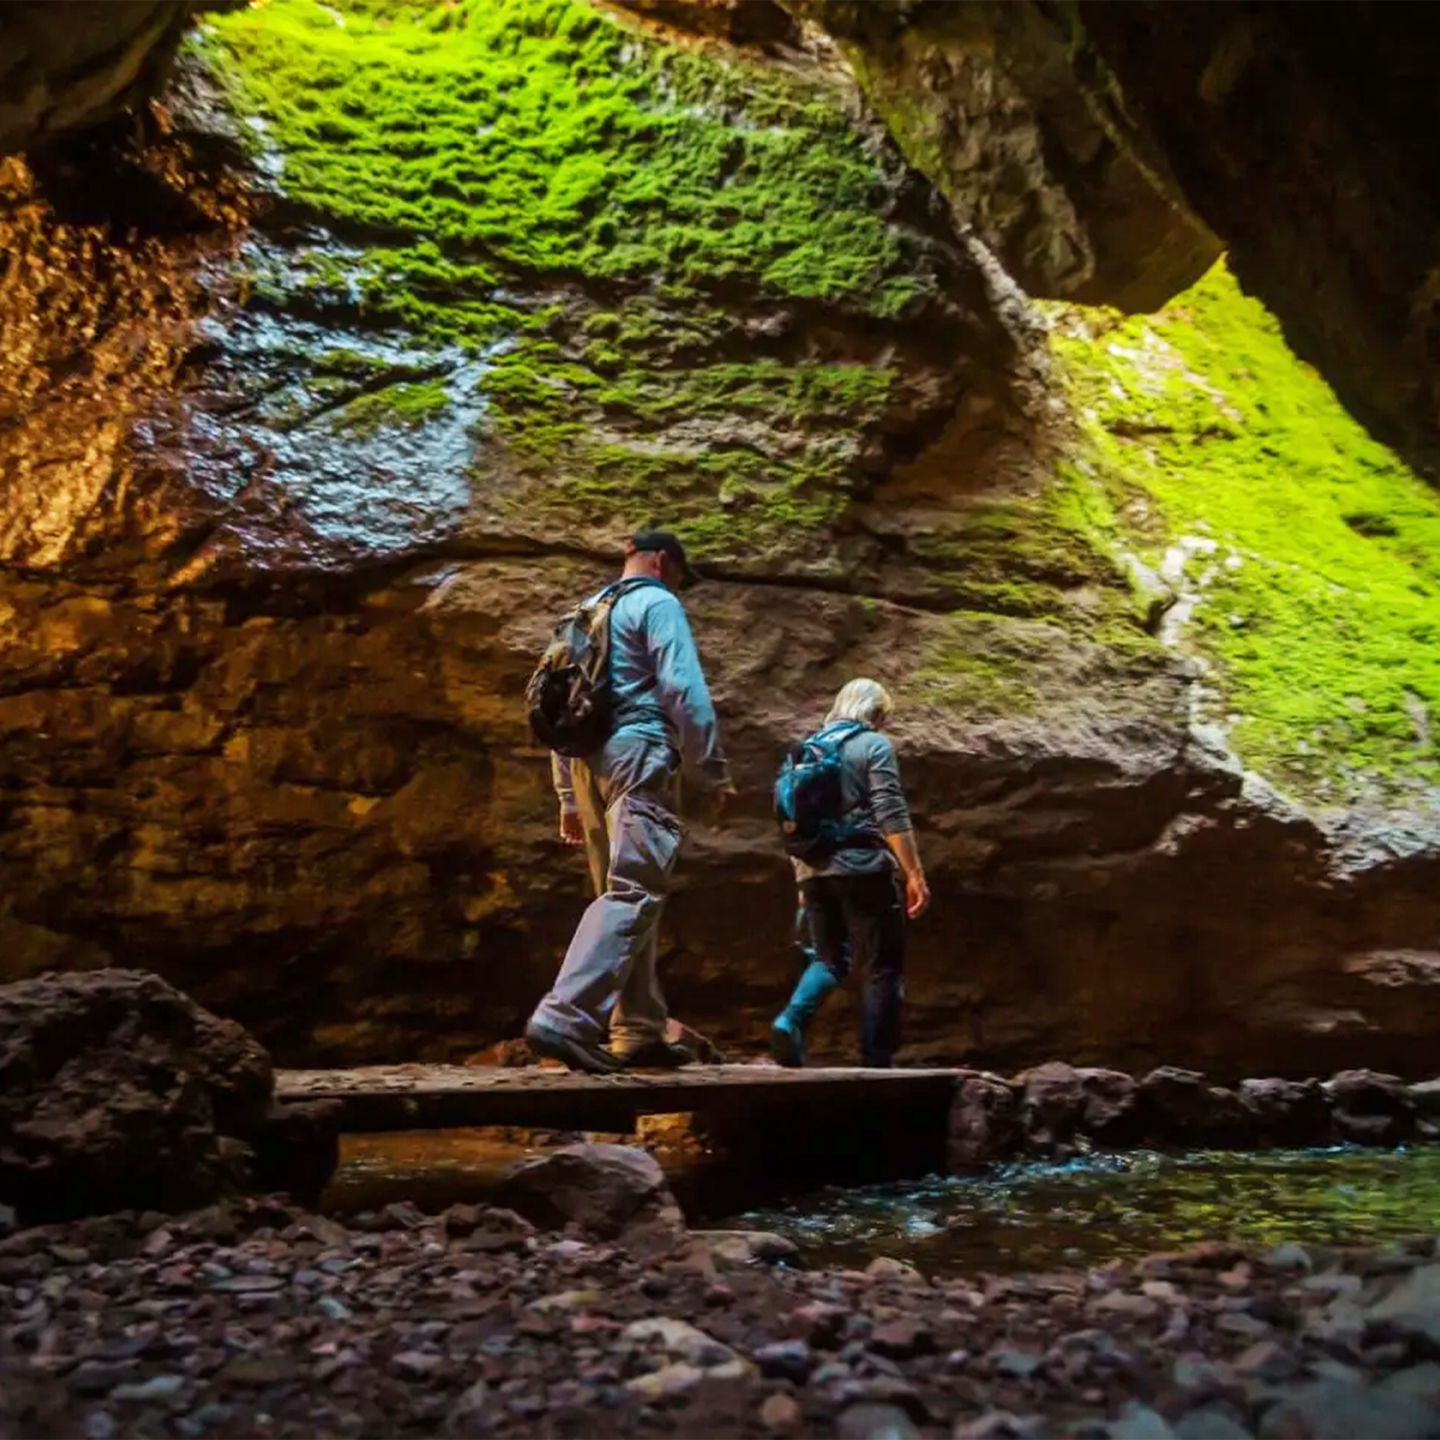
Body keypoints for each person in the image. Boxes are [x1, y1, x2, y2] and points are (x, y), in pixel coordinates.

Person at [526, 529, 736, 1074]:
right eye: (680, 578)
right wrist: (712, 768)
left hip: (584, 759)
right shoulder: (656, 603)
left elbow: (556, 701)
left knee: (620, 894)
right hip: (637, 753)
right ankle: (565, 1017)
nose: (680, 589)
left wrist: (568, 796)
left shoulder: (586, 610)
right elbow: (683, 689)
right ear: (662, 562)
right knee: (635, 891)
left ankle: (637, 1028)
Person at [771, 678, 928, 1069]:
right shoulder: (873, 745)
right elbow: (890, 811)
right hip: (863, 869)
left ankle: (790, 1021)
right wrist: (914, 874)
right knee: (882, 963)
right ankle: (876, 1060)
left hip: (812, 869)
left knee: (828, 958)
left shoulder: (803, 752)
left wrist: (802, 882)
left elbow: (790, 820)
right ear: (875, 713)